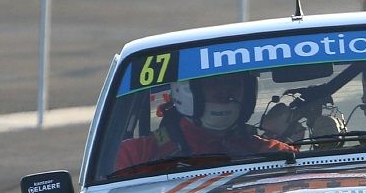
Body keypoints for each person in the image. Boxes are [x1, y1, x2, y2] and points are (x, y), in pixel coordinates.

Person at [113, 71, 293, 174]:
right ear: (185, 91)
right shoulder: (135, 155)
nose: (224, 93)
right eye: (212, 83)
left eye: (233, 84)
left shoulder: (273, 152)